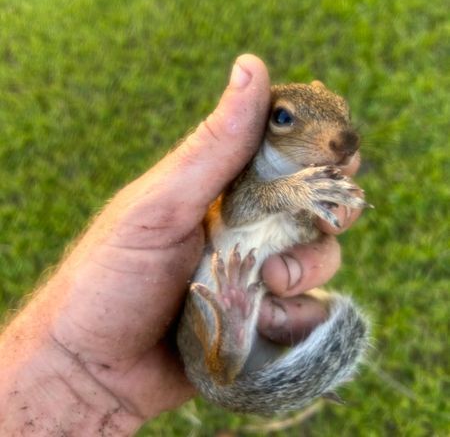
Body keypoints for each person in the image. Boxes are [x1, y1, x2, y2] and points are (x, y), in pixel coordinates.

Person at [0, 55, 362, 435]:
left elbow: (302, 226)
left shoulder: (310, 181)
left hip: (250, 293)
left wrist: (316, 203)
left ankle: (260, 352)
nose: (339, 142)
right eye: (285, 120)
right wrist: (299, 192)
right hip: (215, 302)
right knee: (213, 296)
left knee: (261, 302)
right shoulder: (254, 171)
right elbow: (239, 211)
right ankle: (231, 344)